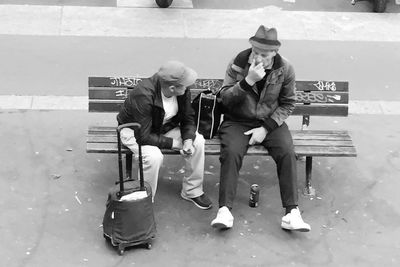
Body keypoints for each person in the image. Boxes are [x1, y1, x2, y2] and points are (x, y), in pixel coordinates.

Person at [210, 25, 311, 231]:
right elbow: (224, 100)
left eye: (264, 54)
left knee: (287, 152)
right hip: (237, 120)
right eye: (255, 52)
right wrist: (247, 82)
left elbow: (288, 103)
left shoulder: (285, 69)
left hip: (270, 121)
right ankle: (224, 210)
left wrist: (265, 128)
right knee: (231, 152)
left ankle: (292, 212)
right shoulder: (238, 63)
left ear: (274, 53)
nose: (258, 57)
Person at [117, 60, 212, 210]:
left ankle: (192, 191)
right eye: (184, 84)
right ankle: (145, 201)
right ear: (173, 88)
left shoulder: (182, 90)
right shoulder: (143, 94)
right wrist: (175, 144)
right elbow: (143, 137)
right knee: (153, 156)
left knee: (197, 141)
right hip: (134, 131)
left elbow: (188, 117)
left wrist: (187, 140)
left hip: (163, 127)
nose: (188, 87)